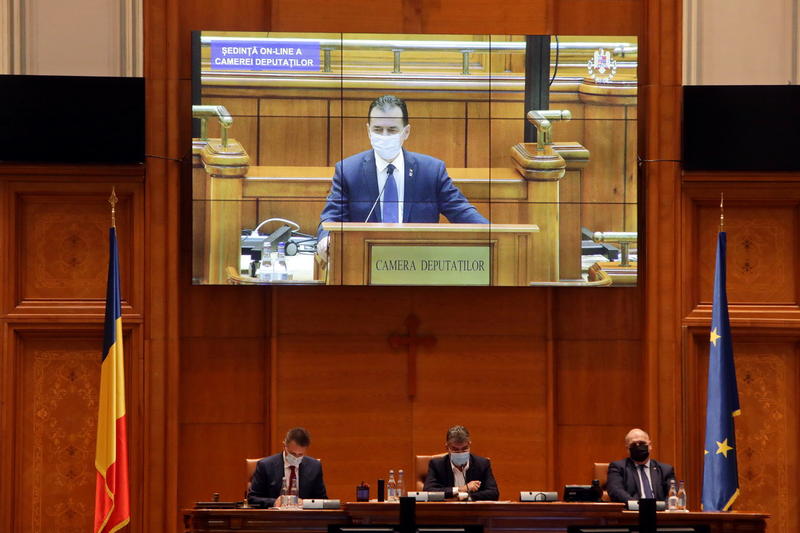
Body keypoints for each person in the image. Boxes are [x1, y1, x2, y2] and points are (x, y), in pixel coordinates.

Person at [317, 95, 489, 259]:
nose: (384, 136)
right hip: (364, 260)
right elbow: (331, 217)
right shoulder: (348, 170)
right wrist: (326, 239)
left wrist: (491, 233)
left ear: (406, 132)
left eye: (392, 130)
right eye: (378, 129)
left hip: (419, 263)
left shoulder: (431, 171)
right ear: (368, 131)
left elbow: (462, 212)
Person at [248, 427, 327, 507]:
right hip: (274, 517)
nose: (296, 457)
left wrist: (305, 503)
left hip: (303, 517)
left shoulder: (314, 467)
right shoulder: (265, 466)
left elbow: (323, 500)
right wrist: (274, 502)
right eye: (292, 454)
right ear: (284, 446)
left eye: (300, 454)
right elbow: (252, 499)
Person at [423, 425, 499, 501]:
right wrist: (461, 489)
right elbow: (428, 493)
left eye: (464, 448)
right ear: (447, 447)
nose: (460, 452)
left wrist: (466, 496)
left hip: (473, 511)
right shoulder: (437, 465)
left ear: (469, 444)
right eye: (455, 449)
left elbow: (493, 493)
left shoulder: (482, 464)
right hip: (445, 511)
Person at [606, 428, 676, 503]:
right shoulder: (618, 468)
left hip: (659, 512)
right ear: (627, 449)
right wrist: (640, 506)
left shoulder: (665, 470)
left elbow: (673, 494)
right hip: (632, 512)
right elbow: (616, 491)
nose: (638, 446)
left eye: (642, 443)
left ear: (650, 446)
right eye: (633, 444)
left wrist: (661, 508)